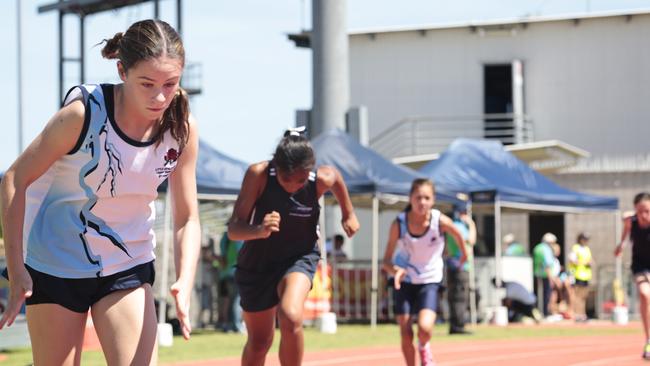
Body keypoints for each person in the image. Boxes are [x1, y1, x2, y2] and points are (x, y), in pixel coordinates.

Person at [0, 19, 200, 365]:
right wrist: (17, 271)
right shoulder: (82, 115)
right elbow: (14, 180)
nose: (159, 97)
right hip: (55, 261)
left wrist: (185, 279)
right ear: (122, 71)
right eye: (147, 84)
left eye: (170, 84)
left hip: (127, 262)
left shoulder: (180, 127)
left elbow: (187, 218)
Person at [227, 129, 359, 366]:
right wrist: (259, 230)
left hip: (299, 257)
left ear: (309, 171)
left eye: (299, 181)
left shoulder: (320, 179)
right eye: (286, 179)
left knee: (290, 315)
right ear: (276, 167)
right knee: (259, 343)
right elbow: (234, 229)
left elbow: (336, 177)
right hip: (258, 264)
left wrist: (348, 214)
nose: (292, 186)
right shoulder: (259, 174)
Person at [382, 179, 467, 366]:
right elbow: (386, 260)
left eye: (427, 198)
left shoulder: (440, 221)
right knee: (405, 332)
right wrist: (395, 270)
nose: (422, 202)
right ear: (410, 198)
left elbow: (459, 234)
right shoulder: (399, 223)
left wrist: (464, 255)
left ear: (433, 200)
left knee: (425, 328)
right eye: (418, 197)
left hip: (430, 279)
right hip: (404, 280)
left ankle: (424, 346)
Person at [615, 192, 650, 360]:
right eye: (640, 211)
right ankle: (649, 340)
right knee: (644, 294)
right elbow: (626, 232)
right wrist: (620, 246)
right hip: (641, 265)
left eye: (647, 211)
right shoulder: (632, 221)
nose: (644, 215)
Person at [445, 207, 476, 335]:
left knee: (454, 296)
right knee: (460, 296)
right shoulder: (459, 226)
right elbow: (471, 240)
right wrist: (472, 224)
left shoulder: (450, 226)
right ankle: (458, 325)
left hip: (452, 264)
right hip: (461, 266)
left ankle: (455, 324)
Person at [217, 232, 244, 333]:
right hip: (235, 273)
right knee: (236, 301)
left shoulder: (225, 241)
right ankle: (237, 325)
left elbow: (223, 259)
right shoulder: (238, 240)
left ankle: (228, 325)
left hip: (226, 274)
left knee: (230, 301)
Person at [569, 232, 593, 322]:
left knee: (584, 296)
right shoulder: (576, 248)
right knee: (577, 296)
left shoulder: (587, 249)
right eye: (585, 239)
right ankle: (577, 314)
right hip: (578, 275)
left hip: (586, 276)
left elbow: (589, 260)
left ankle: (583, 314)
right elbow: (572, 260)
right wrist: (583, 263)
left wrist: (590, 263)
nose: (586, 241)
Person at [533, 233, 558, 317]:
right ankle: (545, 313)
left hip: (537, 274)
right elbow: (547, 264)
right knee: (546, 295)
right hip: (545, 275)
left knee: (537, 294)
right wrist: (551, 277)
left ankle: (537, 312)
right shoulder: (546, 249)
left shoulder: (537, 247)